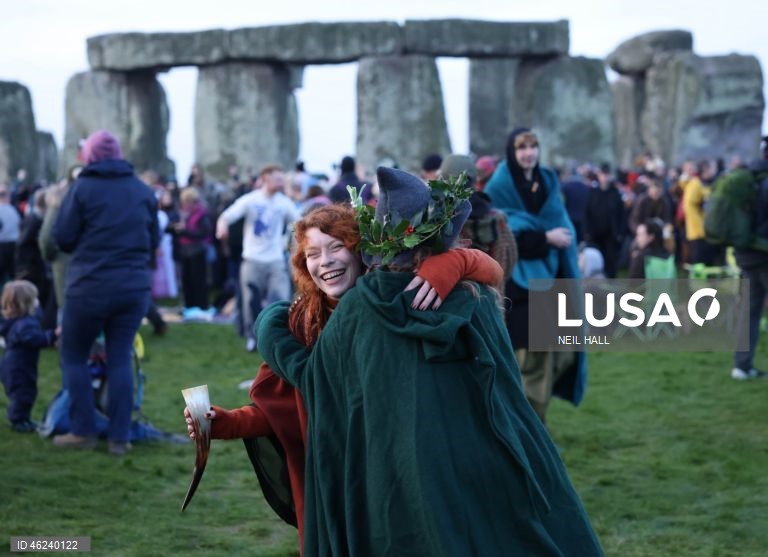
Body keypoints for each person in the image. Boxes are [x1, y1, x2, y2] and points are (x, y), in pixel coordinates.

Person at [256, 167, 603, 556]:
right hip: (481, 470)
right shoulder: (478, 300)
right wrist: (462, 263)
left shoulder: (365, 306)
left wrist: (269, 324)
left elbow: (314, 377)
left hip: (401, 481)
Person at [185, 203, 502, 550]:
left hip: (406, 479)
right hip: (339, 483)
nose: (326, 261)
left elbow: (490, 270)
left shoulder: (400, 299)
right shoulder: (303, 321)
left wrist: (456, 262)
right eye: (313, 253)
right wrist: (227, 422)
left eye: (337, 247)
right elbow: (285, 407)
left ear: (361, 251)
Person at [51, 129, 159, 456]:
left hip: (90, 286)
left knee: (73, 355)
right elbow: (154, 240)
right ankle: (119, 437)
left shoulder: (81, 188)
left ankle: (82, 430)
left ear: (90, 155)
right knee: (120, 357)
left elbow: (62, 238)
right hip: (133, 287)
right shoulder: (143, 190)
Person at [484, 127, 587, 423]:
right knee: (532, 361)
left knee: (562, 353)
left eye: (533, 146)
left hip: (550, 280)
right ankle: (530, 433)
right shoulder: (501, 186)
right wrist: (546, 239)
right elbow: (504, 237)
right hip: (519, 287)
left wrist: (554, 241)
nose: (528, 153)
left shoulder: (547, 181)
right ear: (512, 153)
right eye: (521, 148)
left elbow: (558, 221)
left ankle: (527, 427)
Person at [216, 165, 299, 352]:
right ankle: (252, 338)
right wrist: (221, 227)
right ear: (265, 178)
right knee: (249, 302)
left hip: (276, 261)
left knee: (279, 299)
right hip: (252, 260)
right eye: (277, 179)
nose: (281, 182)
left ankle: (276, 337)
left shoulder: (283, 202)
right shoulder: (251, 200)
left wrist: (297, 246)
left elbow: (299, 222)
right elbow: (227, 216)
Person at [732, 137, 768, 380]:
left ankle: (741, 366)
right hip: (764, 255)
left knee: (750, 312)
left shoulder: (745, 179)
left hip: (744, 255)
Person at [0, 280, 57, 433]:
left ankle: (24, 418)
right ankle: (17, 419)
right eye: (35, 298)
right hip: (18, 367)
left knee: (26, 393)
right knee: (23, 394)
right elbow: (34, 340)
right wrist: (52, 336)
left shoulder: (15, 321)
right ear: (27, 303)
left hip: (14, 365)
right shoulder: (25, 325)